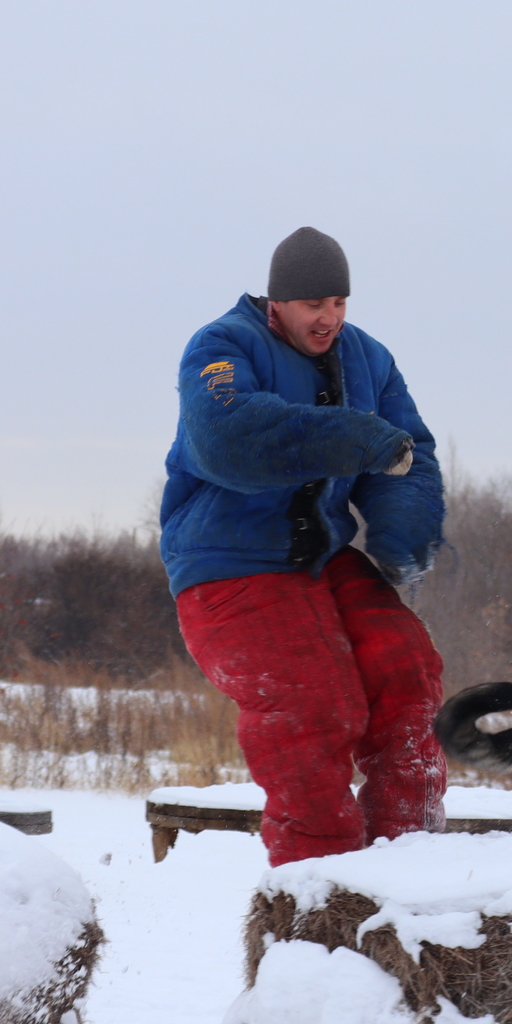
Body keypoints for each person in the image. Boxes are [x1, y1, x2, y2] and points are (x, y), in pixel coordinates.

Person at [159, 226, 447, 865]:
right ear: (277, 304)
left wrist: (403, 530)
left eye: (340, 304)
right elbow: (227, 438)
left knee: (405, 669)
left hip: (321, 555)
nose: (330, 319)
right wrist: (355, 438)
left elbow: (409, 451)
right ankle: (317, 884)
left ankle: (414, 860)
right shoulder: (222, 348)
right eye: (315, 305)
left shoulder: (368, 358)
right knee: (314, 702)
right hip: (228, 560)